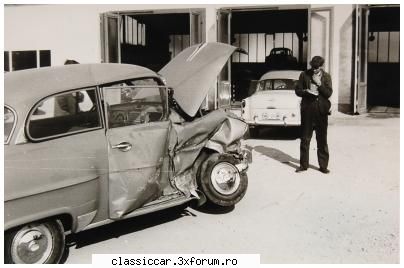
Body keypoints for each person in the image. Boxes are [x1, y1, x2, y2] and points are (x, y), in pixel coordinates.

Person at [295, 56, 332, 174]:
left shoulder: (326, 76)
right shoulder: (304, 74)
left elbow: (328, 93)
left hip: (321, 111)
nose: (315, 70)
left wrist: (319, 84)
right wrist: (305, 92)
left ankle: (323, 166)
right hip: (307, 111)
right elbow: (297, 90)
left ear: (321, 66)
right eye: (313, 67)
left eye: (317, 68)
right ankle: (303, 165)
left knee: (322, 140)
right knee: (305, 139)